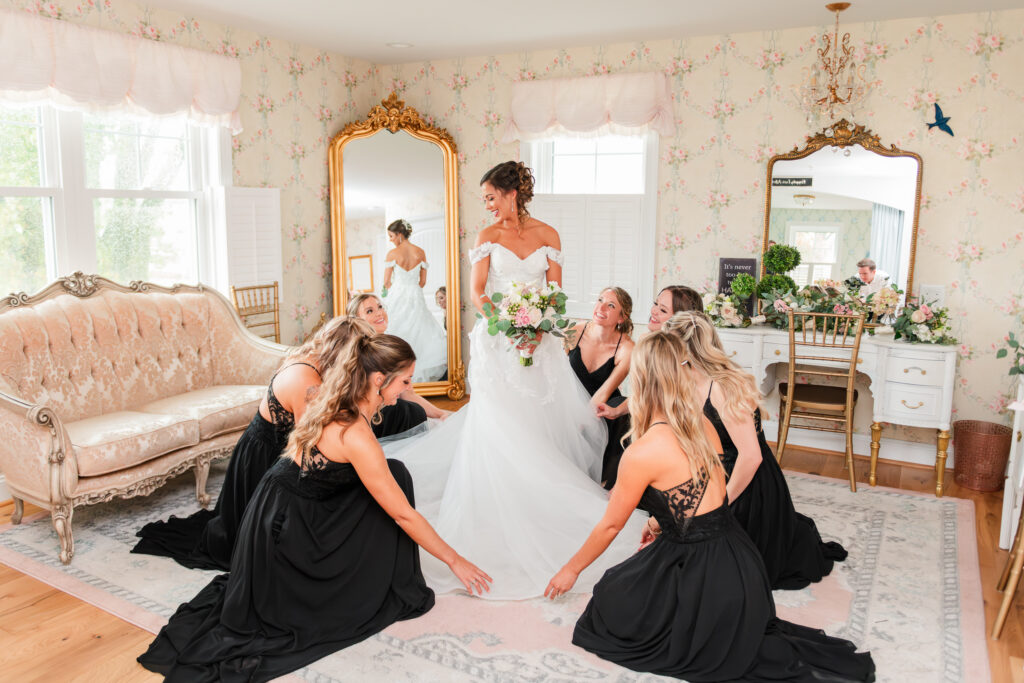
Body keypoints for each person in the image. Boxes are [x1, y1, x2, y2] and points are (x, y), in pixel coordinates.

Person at [137, 334, 492, 682]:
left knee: (395, 474)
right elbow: (403, 514)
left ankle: (370, 573)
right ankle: (357, 583)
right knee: (393, 499)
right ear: (380, 380)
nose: (406, 390)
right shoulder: (354, 431)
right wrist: (455, 560)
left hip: (275, 508)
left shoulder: (337, 399)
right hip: (285, 531)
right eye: (405, 381)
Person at [381, 160, 646, 600]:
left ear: (511, 193)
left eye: (489, 196)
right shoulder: (487, 237)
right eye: (484, 198)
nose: (486, 205)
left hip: (539, 344)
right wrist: (511, 327)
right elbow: (478, 294)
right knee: (498, 420)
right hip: (498, 343)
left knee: (536, 420)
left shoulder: (549, 236)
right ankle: (494, 504)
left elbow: (556, 296)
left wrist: (538, 329)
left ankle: (541, 504)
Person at [545, 332, 875, 682]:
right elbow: (708, 494)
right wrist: (661, 521)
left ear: (641, 382)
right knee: (625, 587)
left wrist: (571, 569)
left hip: (705, 572)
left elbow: (610, 526)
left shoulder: (641, 453)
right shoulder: (699, 423)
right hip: (741, 561)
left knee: (608, 607)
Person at [132, 317, 424, 570]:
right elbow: (314, 449)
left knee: (398, 422)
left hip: (283, 449)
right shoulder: (305, 380)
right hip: (266, 459)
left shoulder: (322, 367)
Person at [663, 310, 847, 589]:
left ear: (685, 350)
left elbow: (751, 457)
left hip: (747, 482)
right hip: (713, 472)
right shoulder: (683, 378)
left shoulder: (724, 387)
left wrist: (719, 505)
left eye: (666, 346)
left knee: (713, 570)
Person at [568, 287, 635, 488]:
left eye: (611, 305)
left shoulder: (627, 348)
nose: (601, 307)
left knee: (622, 408)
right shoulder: (575, 331)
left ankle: (605, 481)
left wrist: (582, 421)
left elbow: (605, 391)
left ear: (621, 318)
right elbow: (557, 375)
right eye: (600, 300)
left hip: (600, 407)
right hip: (568, 398)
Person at [347, 292, 451, 420]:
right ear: (357, 319)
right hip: (369, 416)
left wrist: (441, 414)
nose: (379, 313)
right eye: (369, 311)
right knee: (411, 411)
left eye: (380, 307)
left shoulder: (391, 346)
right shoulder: (357, 351)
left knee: (415, 410)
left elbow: (408, 393)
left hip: (386, 410)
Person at [380, 218, 448, 382]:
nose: (391, 240)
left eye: (391, 236)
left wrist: (394, 288)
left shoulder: (393, 254)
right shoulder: (420, 252)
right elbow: (422, 283)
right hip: (415, 294)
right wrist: (412, 287)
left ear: (399, 234)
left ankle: (399, 370)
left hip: (398, 294)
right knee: (420, 327)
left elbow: (386, 282)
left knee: (397, 327)